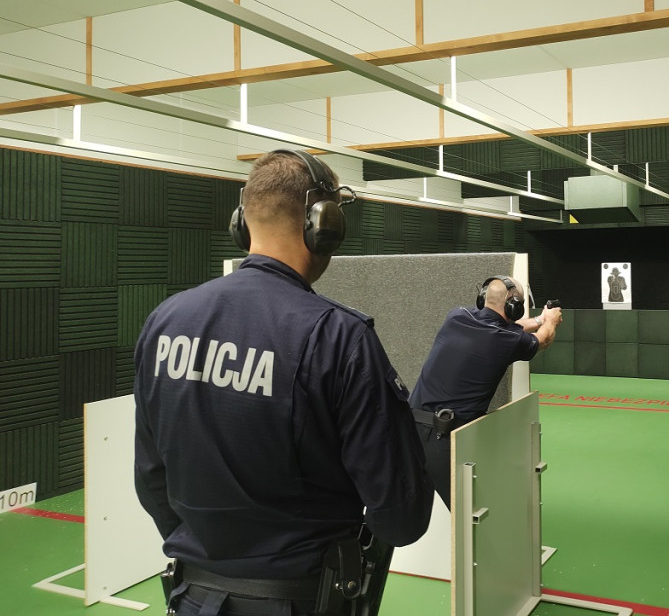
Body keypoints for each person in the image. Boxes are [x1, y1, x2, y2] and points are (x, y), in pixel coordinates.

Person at [133, 148, 433, 616]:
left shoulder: (165, 321)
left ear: (242, 222)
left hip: (192, 597)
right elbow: (401, 517)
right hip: (303, 599)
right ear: (323, 224)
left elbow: (151, 478)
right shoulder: (339, 336)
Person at [408, 275, 562, 509]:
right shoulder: (506, 340)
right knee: (470, 518)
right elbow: (544, 339)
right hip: (443, 440)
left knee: (407, 512)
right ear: (514, 306)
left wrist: (539, 318)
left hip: (410, 429)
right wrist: (550, 321)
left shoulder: (457, 316)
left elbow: (508, 328)